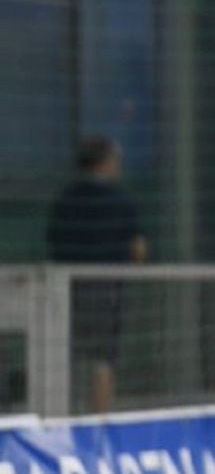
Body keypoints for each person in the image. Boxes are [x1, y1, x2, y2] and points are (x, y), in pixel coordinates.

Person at [46, 136, 147, 414]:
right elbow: (138, 248)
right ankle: (100, 422)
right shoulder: (121, 201)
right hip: (106, 289)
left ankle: (62, 416)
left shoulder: (65, 200)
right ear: (105, 163)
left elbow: (53, 241)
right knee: (103, 360)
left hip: (66, 288)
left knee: (65, 353)